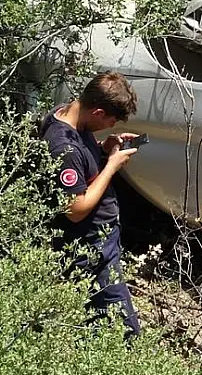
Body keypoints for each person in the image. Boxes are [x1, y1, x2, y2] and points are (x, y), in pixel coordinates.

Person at [38, 71, 142, 338]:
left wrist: (101, 148)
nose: (111, 125)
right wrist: (112, 166)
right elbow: (74, 209)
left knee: (99, 319)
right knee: (123, 328)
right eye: (111, 120)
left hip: (101, 238)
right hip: (90, 243)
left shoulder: (68, 115)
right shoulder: (64, 147)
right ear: (97, 111)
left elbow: (82, 160)